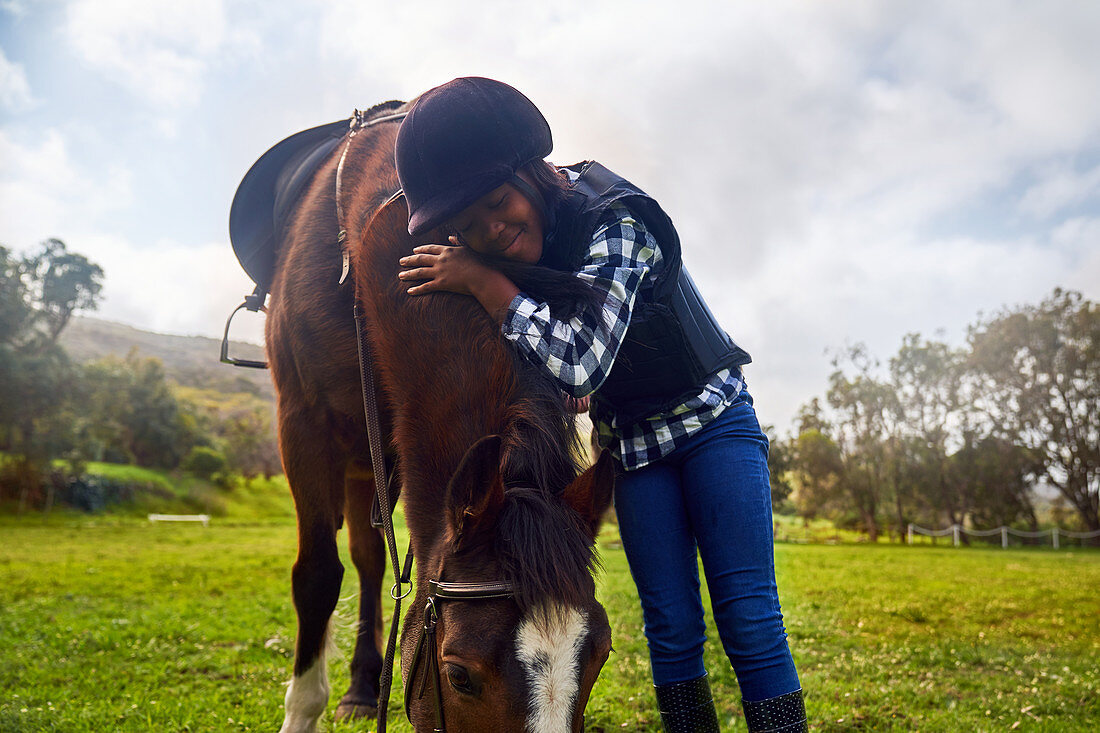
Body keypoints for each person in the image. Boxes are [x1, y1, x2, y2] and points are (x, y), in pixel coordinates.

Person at [394, 76, 806, 733]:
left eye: (498, 203)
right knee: (670, 626)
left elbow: (582, 358)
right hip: (634, 449)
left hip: (714, 426)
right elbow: (562, 371)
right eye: (469, 228)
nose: (492, 231)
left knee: (750, 616)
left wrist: (480, 281)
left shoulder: (617, 218)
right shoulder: (525, 247)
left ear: (532, 174)